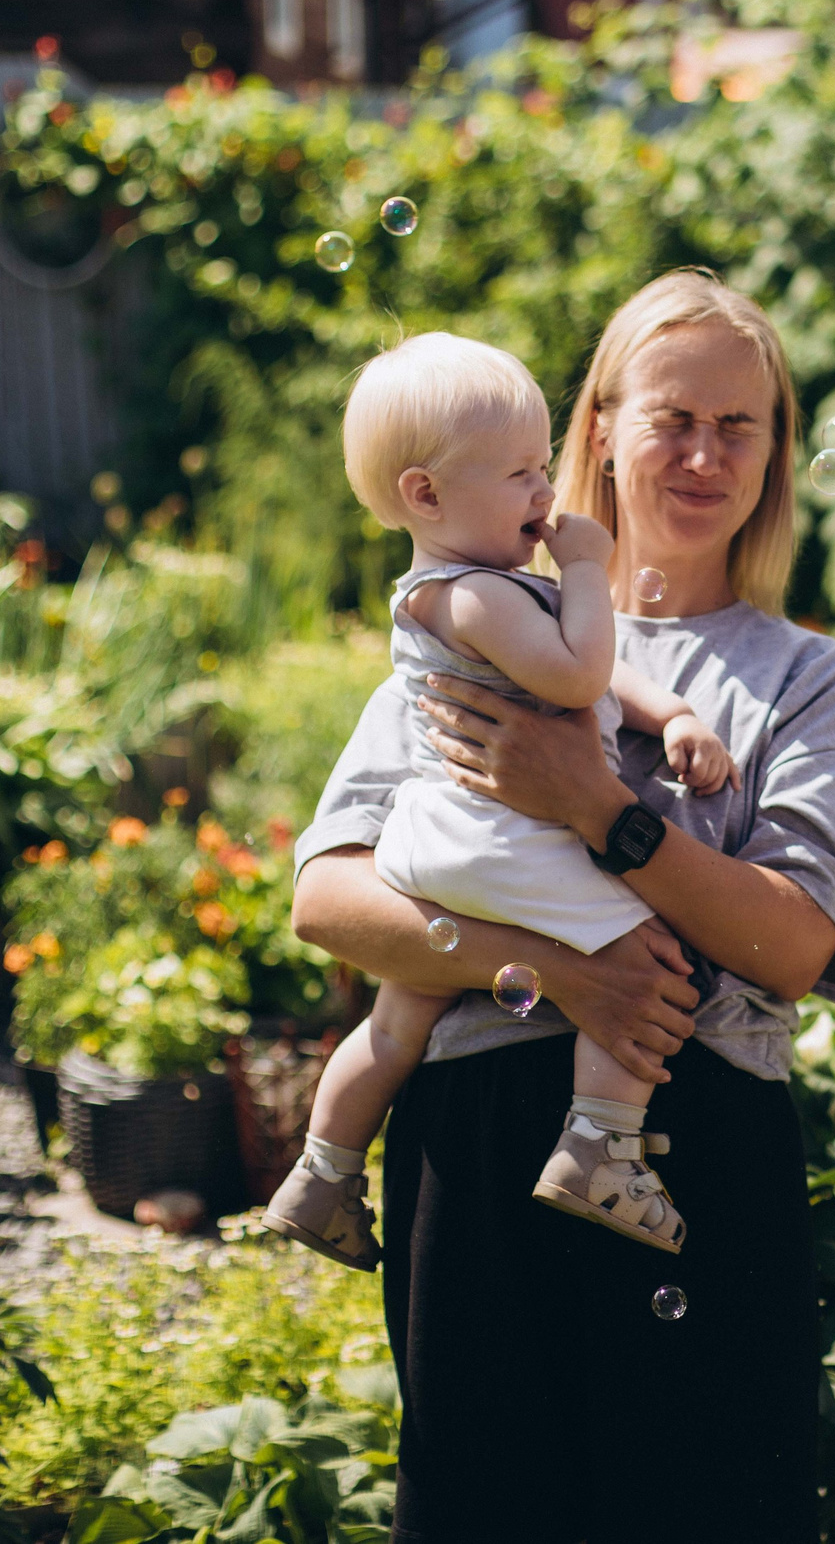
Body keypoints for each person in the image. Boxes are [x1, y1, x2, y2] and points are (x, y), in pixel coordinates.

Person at [288, 269, 835, 1544]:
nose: (704, 454)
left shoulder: (805, 679)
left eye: (739, 426)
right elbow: (331, 900)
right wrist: (553, 968)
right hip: (474, 1143)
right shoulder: (480, 619)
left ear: (776, 452)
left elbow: (796, 945)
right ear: (602, 429)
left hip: (699, 1151)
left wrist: (598, 807)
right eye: (673, 418)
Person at [262, 333, 739, 1271]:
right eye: (520, 473)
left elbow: (603, 677)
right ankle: (601, 1143)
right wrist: (591, 569)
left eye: (543, 466)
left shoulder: (472, 594)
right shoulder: (475, 596)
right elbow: (579, 675)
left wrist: (675, 712)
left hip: (448, 848)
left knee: (399, 1017)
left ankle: (322, 1172)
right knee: (643, 946)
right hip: (502, 836)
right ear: (426, 495)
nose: (544, 493)